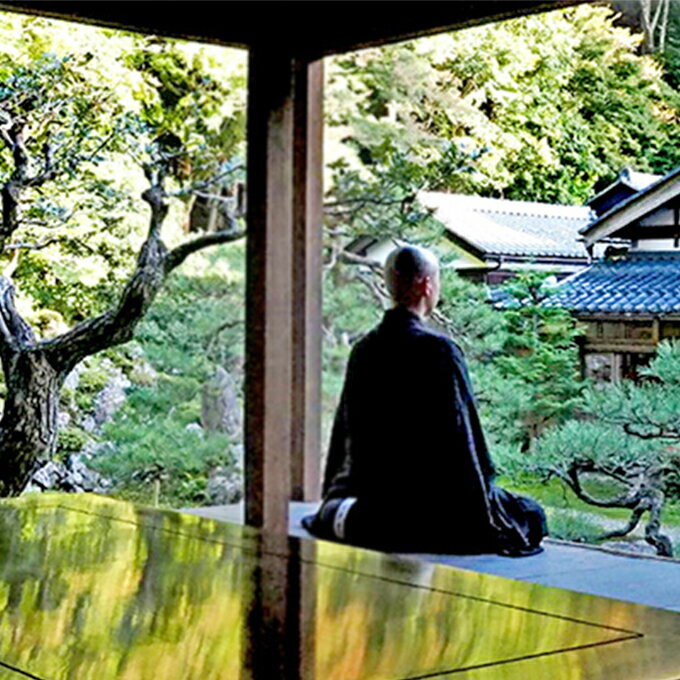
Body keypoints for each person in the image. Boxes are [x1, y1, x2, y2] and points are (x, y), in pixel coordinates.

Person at [302, 245, 547, 556]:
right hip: (426, 510)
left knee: (353, 513)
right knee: (530, 514)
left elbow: (343, 437)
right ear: (426, 285)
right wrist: (480, 506)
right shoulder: (440, 351)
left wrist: (337, 493)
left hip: (368, 503)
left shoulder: (365, 348)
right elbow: (465, 445)